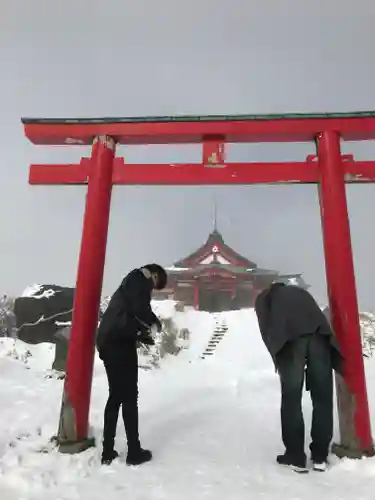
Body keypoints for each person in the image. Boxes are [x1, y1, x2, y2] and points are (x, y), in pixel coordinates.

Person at [255, 282, 343, 473]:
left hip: (290, 341)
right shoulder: (299, 292)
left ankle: (295, 457)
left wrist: (277, 358)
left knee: (291, 398)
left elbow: (266, 331)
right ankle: (320, 456)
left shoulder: (264, 299)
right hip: (319, 337)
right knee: (322, 398)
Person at [96, 264, 167, 466]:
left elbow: (130, 314)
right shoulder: (139, 279)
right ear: (154, 275)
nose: (152, 290)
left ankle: (108, 451)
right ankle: (134, 452)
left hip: (110, 341)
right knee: (128, 396)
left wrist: (143, 333)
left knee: (117, 395)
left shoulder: (130, 283)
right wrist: (153, 322)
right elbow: (140, 309)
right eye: (155, 285)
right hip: (118, 343)